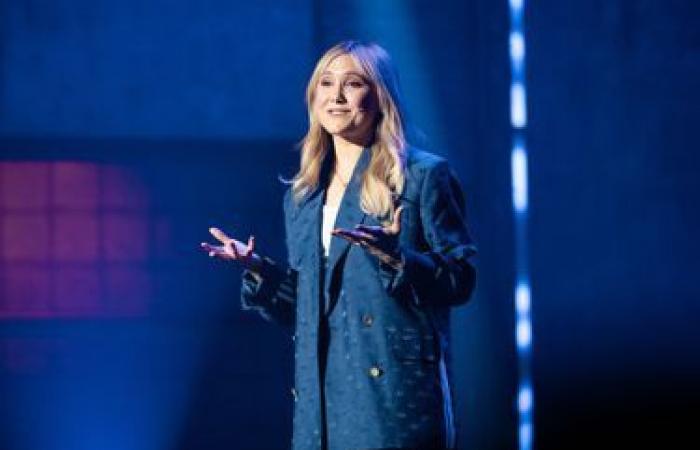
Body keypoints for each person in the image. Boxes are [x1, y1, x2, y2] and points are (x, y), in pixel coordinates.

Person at [201, 41, 477, 450]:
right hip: (322, 399)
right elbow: (310, 311)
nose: (336, 96)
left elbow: (461, 279)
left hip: (392, 395)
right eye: (326, 84)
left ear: (381, 96)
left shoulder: (422, 176)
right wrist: (260, 269)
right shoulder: (303, 194)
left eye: (353, 83)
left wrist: (399, 258)